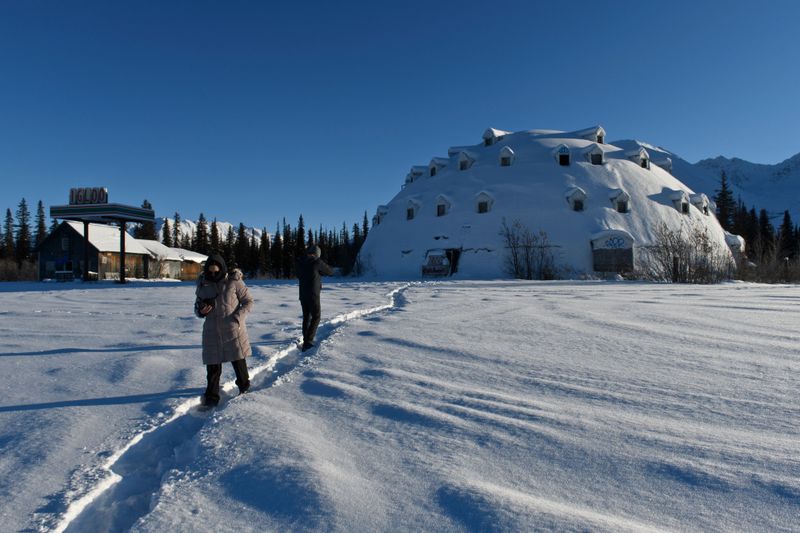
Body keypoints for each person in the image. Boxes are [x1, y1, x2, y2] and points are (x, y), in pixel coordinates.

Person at [194, 254, 254, 407]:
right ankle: (211, 397)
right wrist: (201, 311)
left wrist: (238, 318)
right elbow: (197, 306)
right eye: (210, 272)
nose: (213, 274)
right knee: (213, 365)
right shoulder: (203, 283)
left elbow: (248, 301)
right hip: (211, 329)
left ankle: (244, 387)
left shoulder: (234, 281)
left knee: (238, 359)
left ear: (222, 268)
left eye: (216, 271)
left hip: (232, 327)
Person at [295, 244, 333, 351]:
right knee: (316, 317)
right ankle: (308, 341)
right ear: (317, 254)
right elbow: (330, 271)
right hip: (313, 295)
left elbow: (299, 274)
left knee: (306, 316)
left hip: (302, 294)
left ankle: (306, 338)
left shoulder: (300, 262)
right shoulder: (316, 261)